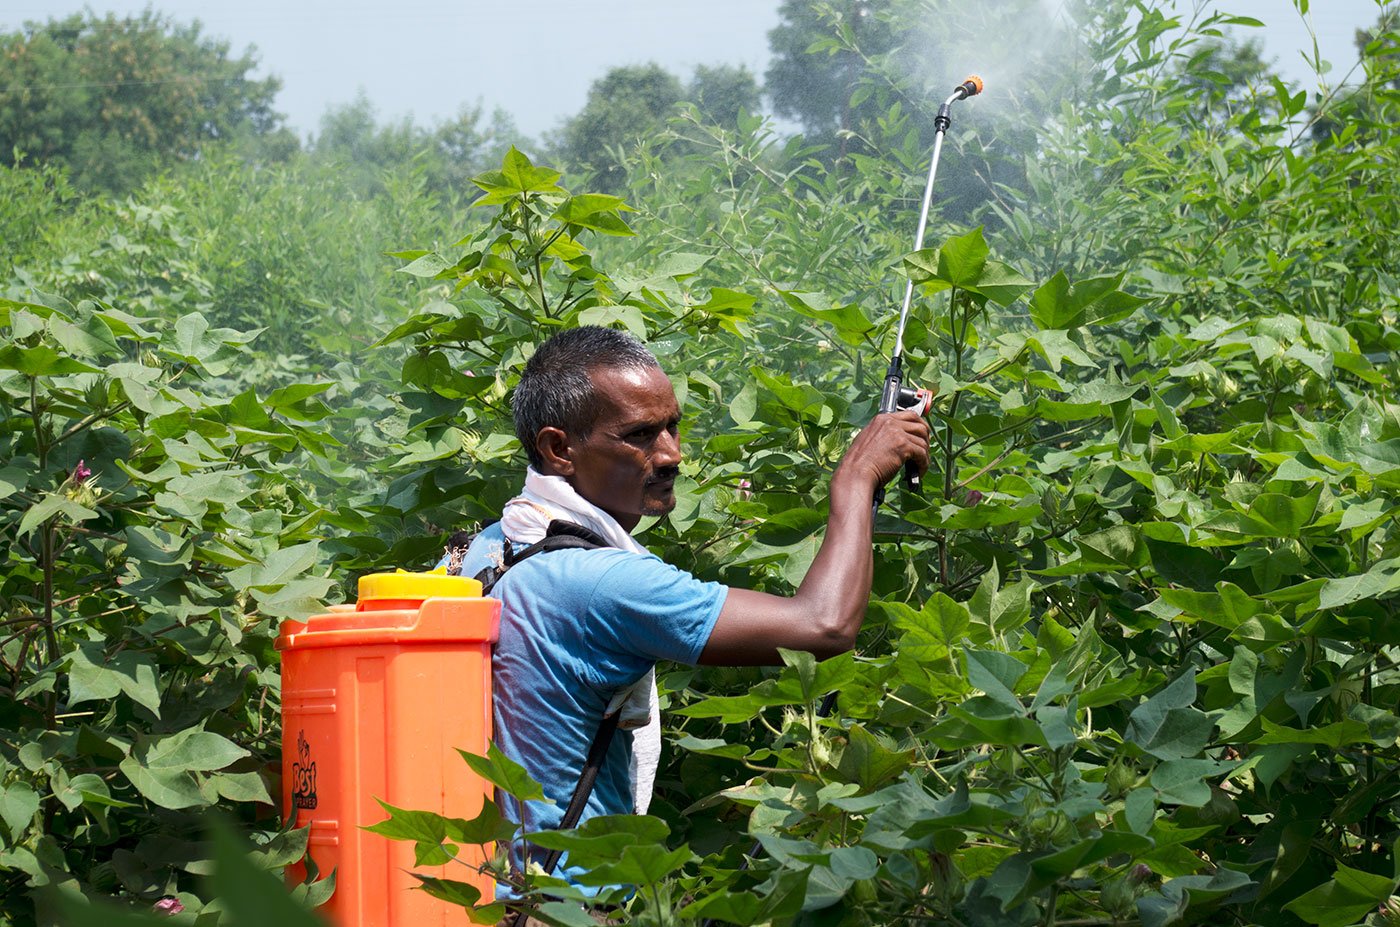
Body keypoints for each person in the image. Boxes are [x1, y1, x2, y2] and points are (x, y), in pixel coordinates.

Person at [446, 325, 929, 890]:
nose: (671, 453)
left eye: (673, 425)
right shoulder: (599, 582)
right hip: (563, 907)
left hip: (484, 891)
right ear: (559, 450)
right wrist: (856, 478)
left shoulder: (494, 545)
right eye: (639, 435)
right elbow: (824, 625)